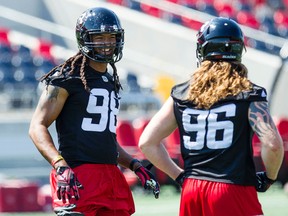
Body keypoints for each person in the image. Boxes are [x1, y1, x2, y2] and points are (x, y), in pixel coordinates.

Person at [138, 17, 284, 216]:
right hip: (232, 189)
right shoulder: (249, 94)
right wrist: (269, 178)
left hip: (192, 191)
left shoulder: (181, 93)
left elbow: (147, 142)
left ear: (202, 50)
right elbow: (273, 145)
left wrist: (179, 176)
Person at [29, 7, 160, 216]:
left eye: (111, 37)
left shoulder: (110, 80)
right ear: (84, 38)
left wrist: (134, 164)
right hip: (78, 175)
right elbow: (37, 126)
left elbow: (104, 138)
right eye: (99, 38)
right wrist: (60, 165)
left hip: (110, 175)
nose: (107, 44)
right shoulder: (67, 77)